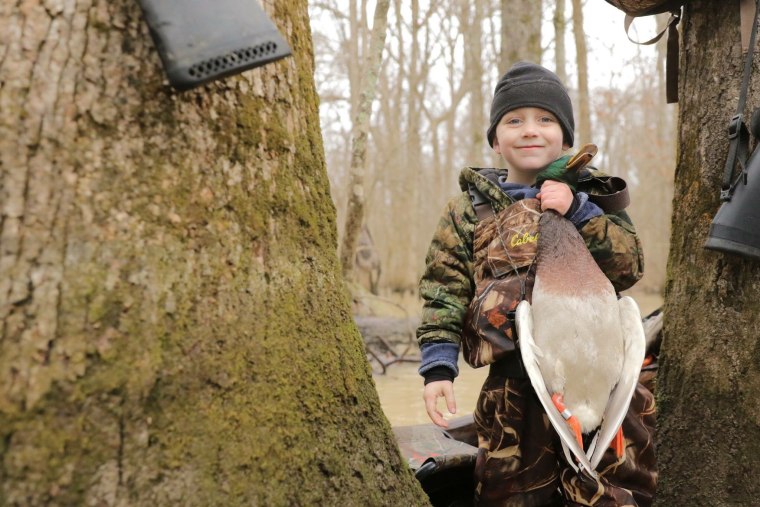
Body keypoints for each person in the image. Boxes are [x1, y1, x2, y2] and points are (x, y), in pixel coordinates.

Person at [416, 61, 657, 506]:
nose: (530, 130)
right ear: (495, 139)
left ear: (566, 139)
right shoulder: (468, 210)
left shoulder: (596, 197)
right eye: (514, 120)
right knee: (511, 495)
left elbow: (629, 268)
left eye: (545, 120)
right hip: (513, 390)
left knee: (612, 492)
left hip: (600, 383)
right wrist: (437, 368)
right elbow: (442, 289)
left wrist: (580, 211)